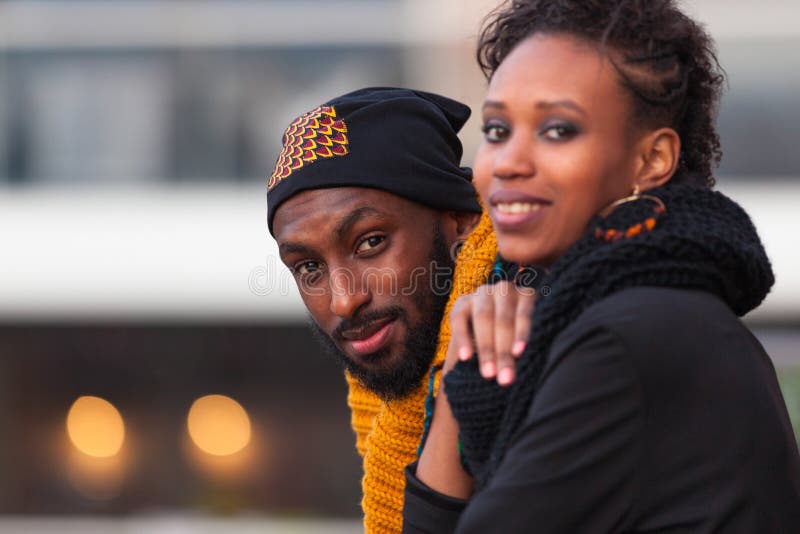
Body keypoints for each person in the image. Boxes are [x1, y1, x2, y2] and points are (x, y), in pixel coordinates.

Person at [403, 1, 800, 532]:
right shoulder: (648, 314)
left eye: (558, 129)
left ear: (652, 159)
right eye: (497, 129)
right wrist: (463, 366)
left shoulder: (629, 339)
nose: (508, 162)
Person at [267, 87, 522, 533]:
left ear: (459, 220)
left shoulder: (540, 346)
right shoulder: (392, 408)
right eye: (309, 267)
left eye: (370, 242)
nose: (344, 300)